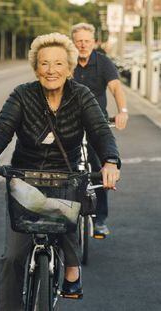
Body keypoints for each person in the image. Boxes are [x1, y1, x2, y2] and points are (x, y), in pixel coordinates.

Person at [0, 33, 121, 310]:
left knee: (66, 215)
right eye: (44, 64)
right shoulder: (22, 94)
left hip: (65, 175)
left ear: (69, 68)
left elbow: (101, 131)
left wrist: (110, 162)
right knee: (13, 256)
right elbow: (2, 127)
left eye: (57, 64)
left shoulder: (81, 96)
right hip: (25, 178)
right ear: (35, 67)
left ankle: (72, 267)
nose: (51, 70)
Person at [71, 23, 128, 237]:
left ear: (94, 42)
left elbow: (115, 88)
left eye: (87, 41)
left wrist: (122, 111)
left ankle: (100, 219)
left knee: (101, 171)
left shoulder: (103, 62)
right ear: (73, 43)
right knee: (63, 167)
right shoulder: (68, 62)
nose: (83, 45)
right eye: (79, 41)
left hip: (97, 124)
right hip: (71, 123)